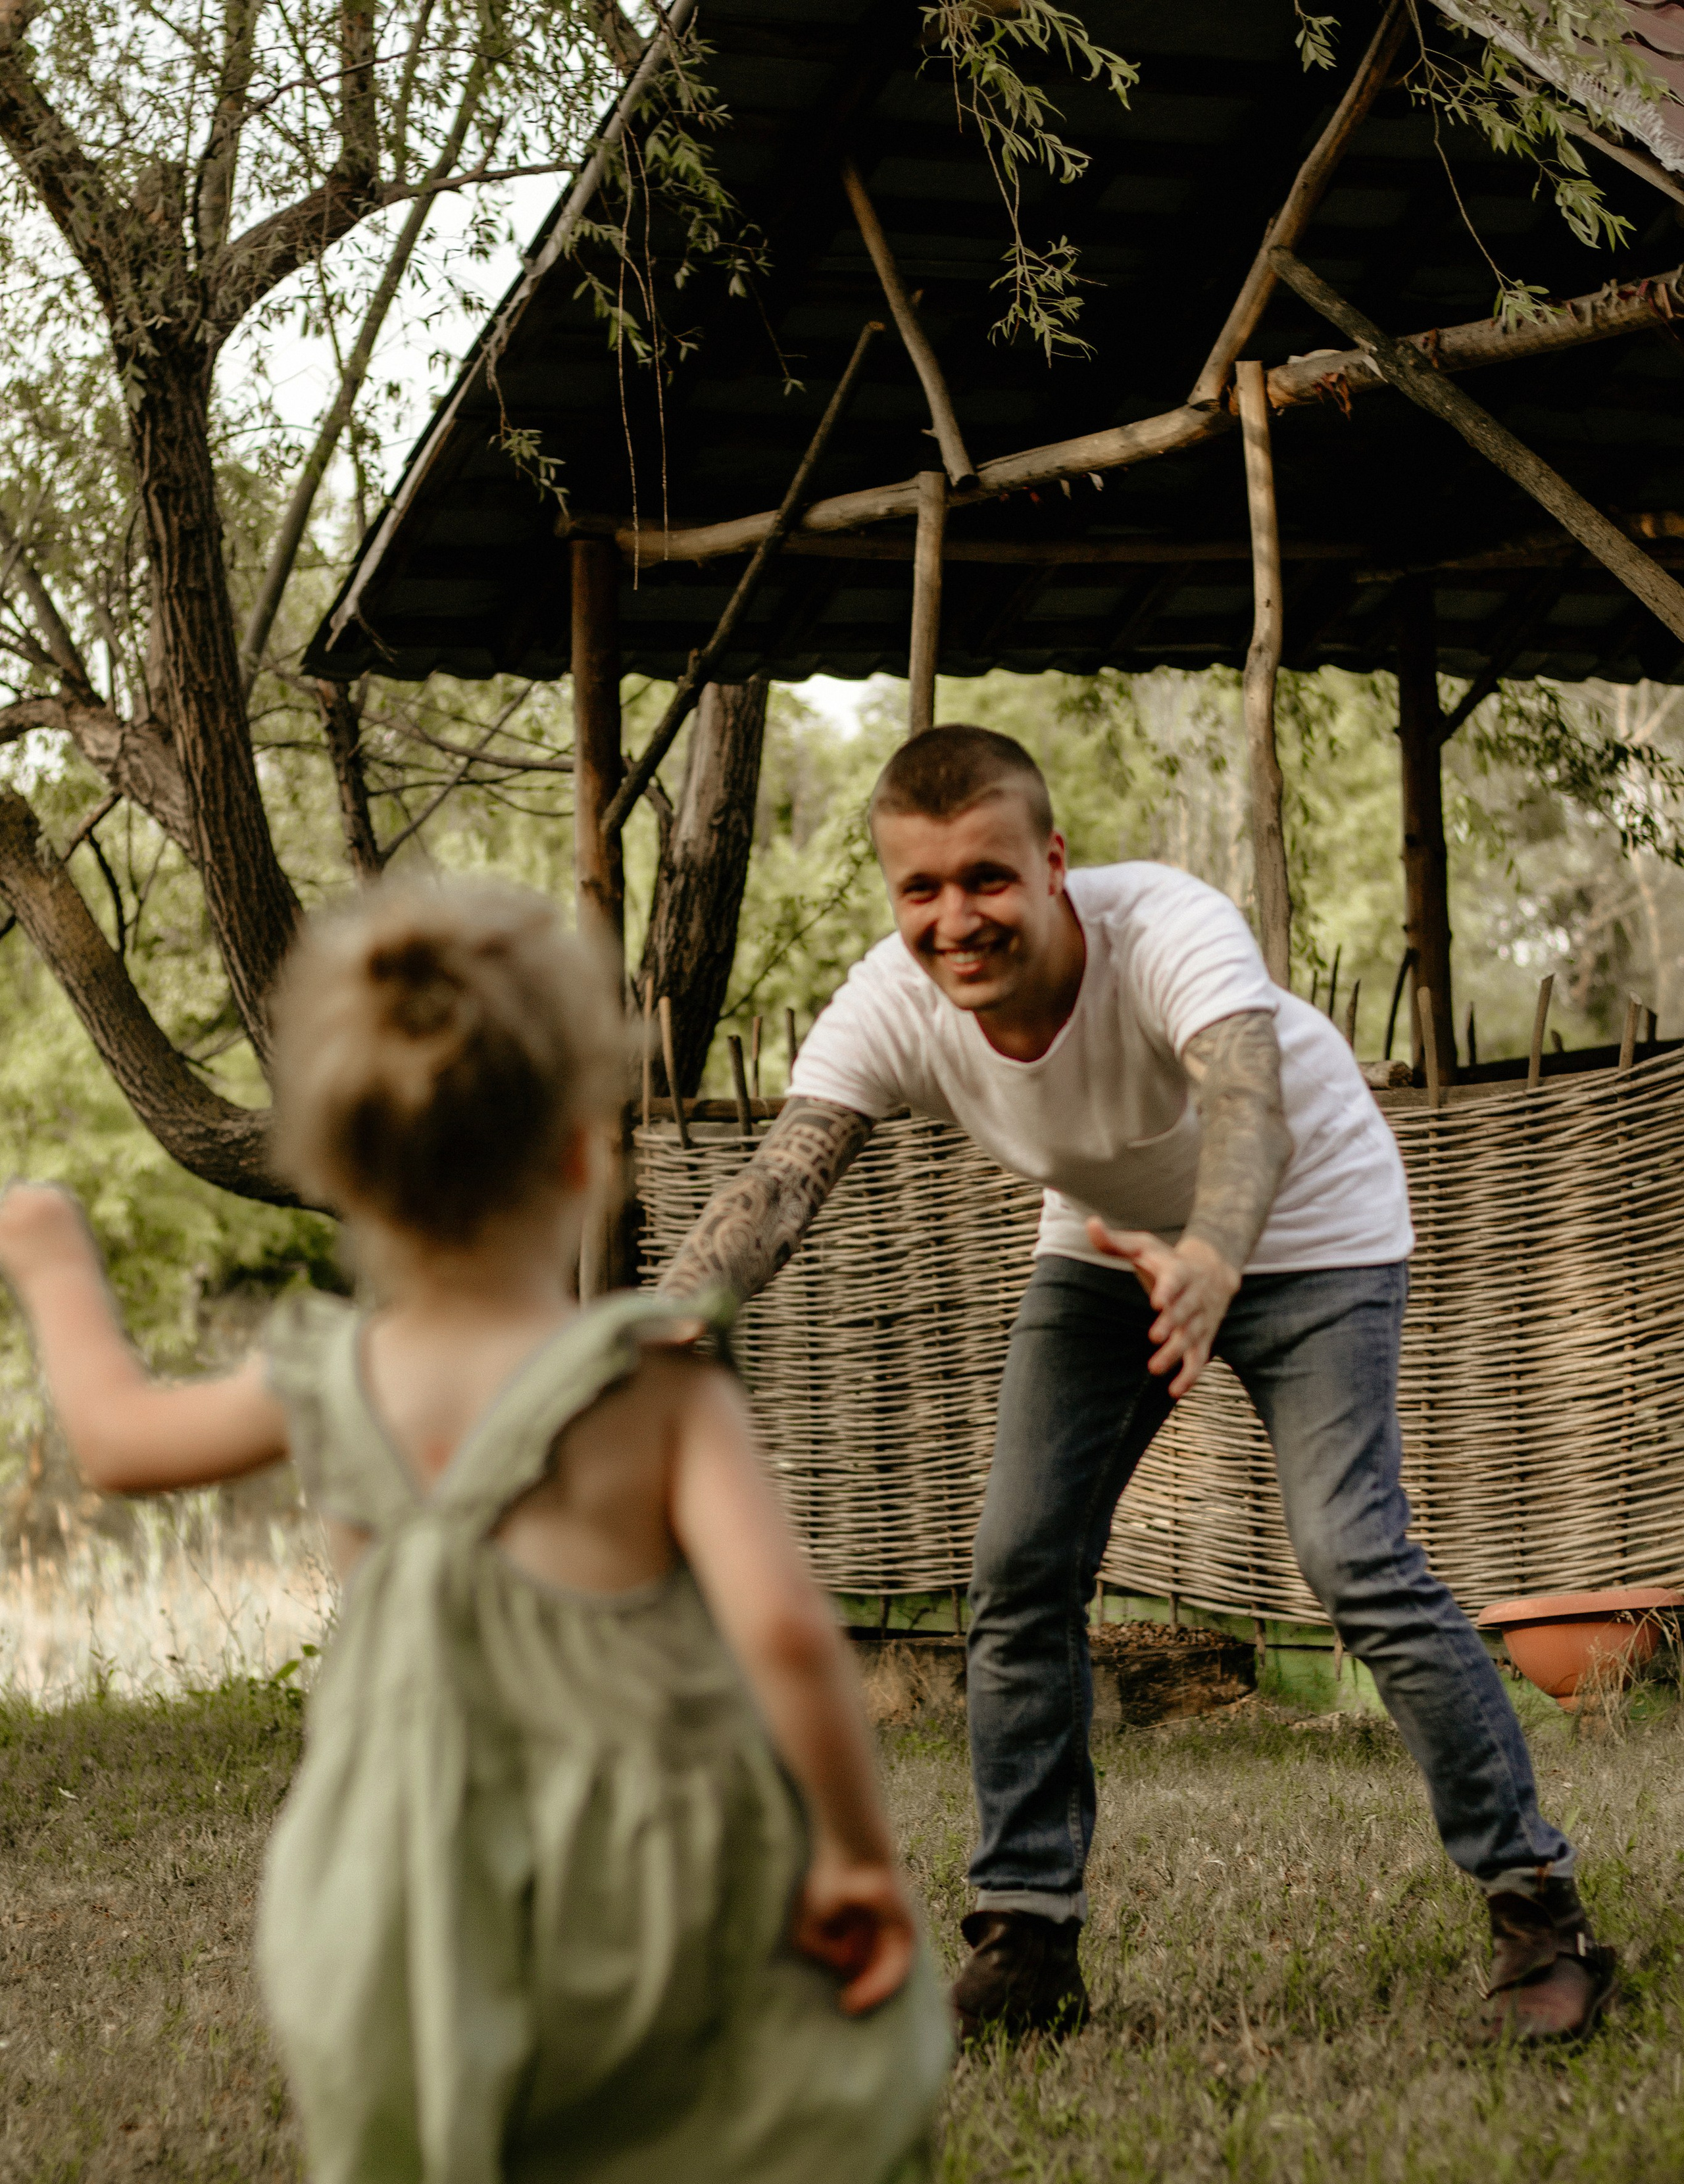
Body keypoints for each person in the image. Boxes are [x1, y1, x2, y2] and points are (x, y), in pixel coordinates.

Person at [0, 878, 950, 2184]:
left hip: (388, 1895)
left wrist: (50, 1251)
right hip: (633, 1890)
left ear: (341, 1173)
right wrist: (854, 1856)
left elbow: (113, 1441)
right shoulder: (648, 1371)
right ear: (586, 1152)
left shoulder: (322, 1376)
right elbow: (792, 1641)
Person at [661, 723, 1616, 2054]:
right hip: (1108, 1250)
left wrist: (1217, 1257)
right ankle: (1026, 1937)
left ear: (1050, 864)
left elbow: (1248, 1108)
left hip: (1312, 1228)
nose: (954, 919)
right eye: (919, 890)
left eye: (985, 878)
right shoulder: (888, 1001)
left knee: (1349, 1556)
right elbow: (778, 1187)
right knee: (1019, 1560)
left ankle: (1536, 1911)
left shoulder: (1164, 925)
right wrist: (655, 1327)